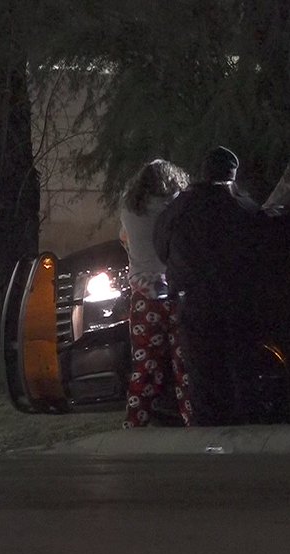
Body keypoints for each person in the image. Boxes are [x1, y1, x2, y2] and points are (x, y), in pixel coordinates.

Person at [153, 146, 264, 426]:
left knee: (203, 369)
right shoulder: (242, 206)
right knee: (241, 365)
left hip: (195, 299)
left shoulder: (179, 208)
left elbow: (161, 246)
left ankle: (209, 429)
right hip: (237, 297)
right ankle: (246, 424)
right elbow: (263, 245)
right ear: (231, 175)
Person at [118, 159, 193, 428]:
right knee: (184, 365)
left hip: (143, 299)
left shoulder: (128, 206)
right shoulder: (177, 205)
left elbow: (124, 239)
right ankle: (192, 420)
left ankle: (134, 424)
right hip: (175, 293)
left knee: (145, 369)